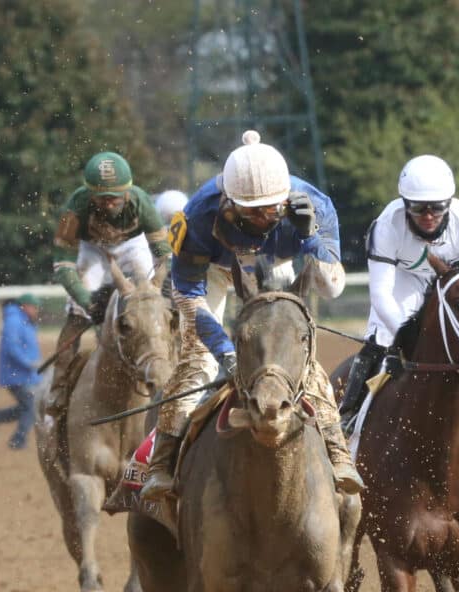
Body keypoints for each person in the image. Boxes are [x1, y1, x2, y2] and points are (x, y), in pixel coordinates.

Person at [140, 130, 363, 501]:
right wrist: (224, 350)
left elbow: (332, 287)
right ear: (228, 200)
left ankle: (339, 454)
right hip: (212, 272)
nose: (263, 218)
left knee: (295, 358)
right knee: (199, 361)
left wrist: (310, 238)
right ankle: (161, 464)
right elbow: (189, 297)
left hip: (275, 266)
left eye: (271, 209)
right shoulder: (197, 215)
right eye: (251, 210)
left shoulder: (316, 206)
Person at [339, 154, 459, 434]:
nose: (429, 216)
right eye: (419, 209)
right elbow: (381, 294)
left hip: (449, 282)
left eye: (436, 208)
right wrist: (408, 336)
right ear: (405, 204)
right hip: (401, 280)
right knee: (380, 337)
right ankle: (349, 412)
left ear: (449, 204)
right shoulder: (387, 225)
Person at [46, 151, 171, 419]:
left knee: (155, 306)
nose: (109, 203)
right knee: (79, 314)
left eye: (115, 196)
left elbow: (164, 256)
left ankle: (176, 369)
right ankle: (58, 387)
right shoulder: (75, 207)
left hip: (132, 246)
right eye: (102, 198)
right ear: (90, 195)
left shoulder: (142, 203)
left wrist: (161, 290)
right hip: (92, 250)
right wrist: (86, 300)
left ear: (128, 192)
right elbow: (63, 265)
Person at [0, 293, 42, 450]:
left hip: (24, 374)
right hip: (16, 375)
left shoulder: (24, 321)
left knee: (25, 407)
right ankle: (18, 440)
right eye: (34, 307)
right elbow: (12, 348)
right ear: (25, 306)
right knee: (30, 406)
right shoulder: (14, 321)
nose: (37, 311)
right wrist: (29, 363)